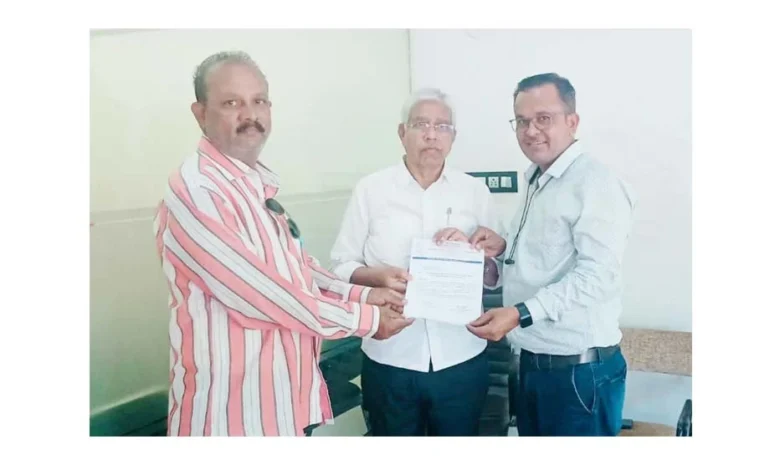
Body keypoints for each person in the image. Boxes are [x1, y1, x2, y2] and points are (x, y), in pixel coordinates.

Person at [152, 51, 413, 436]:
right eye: (232, 103)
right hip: (231, 418)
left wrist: (365, 295)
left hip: (282, 407)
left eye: (259, 101)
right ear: (200, 113)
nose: (250, 114)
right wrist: (368, 320)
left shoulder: (255, 187)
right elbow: (264, 296)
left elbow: (299, 273)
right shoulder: (198, 191)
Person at [448, 73, 637, 436]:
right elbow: (540, 263)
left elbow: (597, 276)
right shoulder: (537, 179)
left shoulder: (595, 183)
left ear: (572, 121)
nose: (531, 130)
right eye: (521, 121)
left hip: (578, 375)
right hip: (533, 366)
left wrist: (519, 314)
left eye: (543, 118)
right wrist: (497, 257)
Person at [329, 88, 502, 436]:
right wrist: (377, 276)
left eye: (442, 126)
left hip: (460, 355)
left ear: (453, 137)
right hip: (390, 355)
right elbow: (339, 267)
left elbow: (496, 272)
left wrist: (478, 260)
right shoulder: (371, 190)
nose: (431, 134)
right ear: (402, 132)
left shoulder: (474, 192)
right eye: (421, 124)